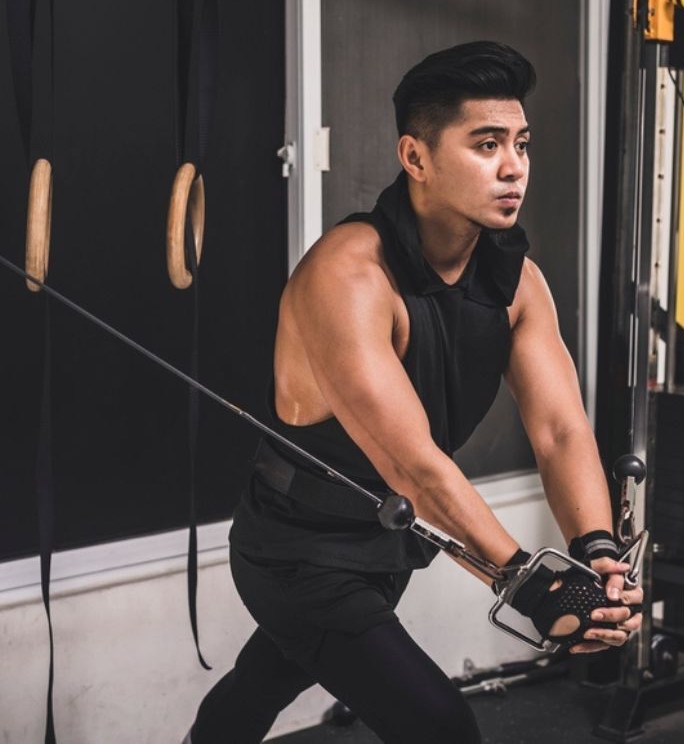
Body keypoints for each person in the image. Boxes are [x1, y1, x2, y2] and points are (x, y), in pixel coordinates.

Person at [184, 41, 643, 744]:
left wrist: (599, 549)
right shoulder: (348, 277)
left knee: (267, 677)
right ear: (416, 158)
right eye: (486, 144)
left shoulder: (516, 282)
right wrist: (526, 579)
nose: (514, 166)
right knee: (440, 728)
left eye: (521, 143)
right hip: (299, 554)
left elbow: (560, 431)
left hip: (389, 544)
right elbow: (414, 467)